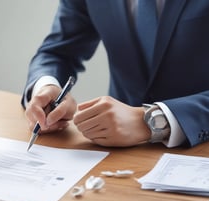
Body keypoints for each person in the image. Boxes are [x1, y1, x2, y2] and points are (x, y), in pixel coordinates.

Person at [22, 0, 209, 148]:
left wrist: (153, 120)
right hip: (114, 151)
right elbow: (58, 52)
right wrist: (47, 86)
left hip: (199, 150)